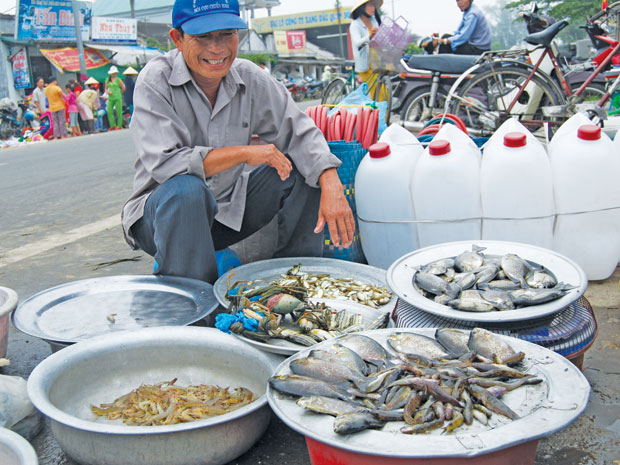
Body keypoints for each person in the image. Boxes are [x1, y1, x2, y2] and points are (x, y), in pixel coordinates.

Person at [122, 0, 354, 284]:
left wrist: (331, 182)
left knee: (302, 167)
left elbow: (299, 132)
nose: (217, 49)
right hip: (164, 222)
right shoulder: (155, 81)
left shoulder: (250, 77)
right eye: (203, 37)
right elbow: (168, 165)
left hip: (228, 214)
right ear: (177, 39)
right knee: (186, 190)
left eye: (226, 34)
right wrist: (244, 153)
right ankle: (194, 305)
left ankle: (297, 282)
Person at [349, 0, 383, 93]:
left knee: (384, 90)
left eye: (374, 6)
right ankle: (377, 108)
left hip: (376, 62)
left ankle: (382, 107)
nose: (373, 8)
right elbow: (357, 43)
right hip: (365, 65)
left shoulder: (374, 21)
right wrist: (369, 37)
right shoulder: (355, 25)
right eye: (370, 5)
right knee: (377, 91)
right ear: (362, 8)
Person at [105, 65, 125, 130]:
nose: (113, 74)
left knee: (118, 111)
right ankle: (112, 125)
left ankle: (119, 125)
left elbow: (123, 88)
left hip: (118, 97)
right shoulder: (107, 80)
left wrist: (119, 93)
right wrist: (107, 92)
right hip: (110, 97)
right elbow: (106, 88)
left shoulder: (118, 80)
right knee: (109, 111)